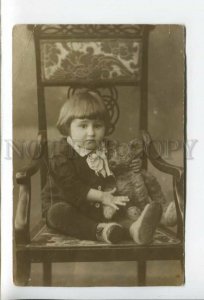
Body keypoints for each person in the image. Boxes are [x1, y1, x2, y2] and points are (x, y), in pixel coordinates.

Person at [42, 89, 162, 244]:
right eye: (83, 126)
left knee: (120, 213)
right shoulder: (61, 152)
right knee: (57, 213)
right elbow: (71, 187)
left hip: (101, 209)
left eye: (97, 126)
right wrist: (103, 197)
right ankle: (100, 230)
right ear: (67, 127)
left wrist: (133, 165)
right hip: (69, 206)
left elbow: (121, 163)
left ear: (106, 127)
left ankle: (134, 229)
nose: (91, 133)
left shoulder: (107, 147)